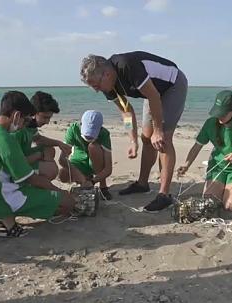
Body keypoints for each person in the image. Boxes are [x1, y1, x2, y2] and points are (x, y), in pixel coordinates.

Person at [80, 51, 188, 211]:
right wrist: (133, 140)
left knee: (162, 139)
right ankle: (142, 184)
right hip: (152, 92)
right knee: (146, 138)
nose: (96, 90)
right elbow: (126, 111)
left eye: (96, 85)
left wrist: (158, 130)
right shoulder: (107, 85)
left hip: (173, 85)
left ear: (107, 74)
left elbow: (154, 97)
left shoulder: (127, 66)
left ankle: (164, 195)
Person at [0, 91, 75, 237]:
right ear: (17, 116)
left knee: (47, 180)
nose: (23, 125)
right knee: (68, 203)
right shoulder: (5, 139)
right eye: (25, 120)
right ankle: (8, 221)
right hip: (4, 198)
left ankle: (6, 219)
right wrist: (59, 191)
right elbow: (30, 178)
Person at [177, 90, 232, 212]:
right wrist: (186, 165)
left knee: (230, 207)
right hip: (216, 167)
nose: (219, 117)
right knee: (210, 204)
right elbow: (197, 146)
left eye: (223, 113)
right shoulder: (210, 123)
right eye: (218, 112)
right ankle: (228, 188)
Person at [11, 91, 71, 181]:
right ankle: (32, 184)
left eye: (49, 118)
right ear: (34, 113)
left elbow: (38, 138)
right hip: (14, 170)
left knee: (50, 150)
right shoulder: (19, 130)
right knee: (52, 170)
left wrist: (59, 143)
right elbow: (14, 163)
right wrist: (39, 155)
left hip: (24, 160)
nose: (47, 122)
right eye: (45, 117)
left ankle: (39, 182)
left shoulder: (31, 125)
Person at [58, 110, 113, 200]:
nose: (89, 137)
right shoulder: (73, 129)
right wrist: (79, 175)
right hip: (78, 162)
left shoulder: (104, 134)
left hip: (96, 162)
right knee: (62, 175)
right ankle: (83, 180)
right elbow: (62, 159)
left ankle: (103, 186)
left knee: (93, 147)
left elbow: (108, 168)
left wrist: (93, 181)